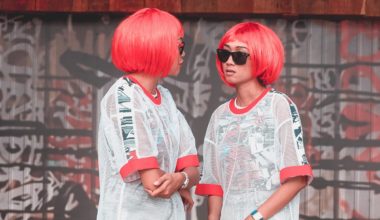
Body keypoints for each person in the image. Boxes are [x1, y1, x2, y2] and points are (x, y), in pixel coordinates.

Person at [195, 22, 313, 220]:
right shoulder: (219, 116)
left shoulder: (279, 105)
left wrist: (254, 217)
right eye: (225, 54)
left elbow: (298, 178)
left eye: (239, 55)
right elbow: (215, 184)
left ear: (261, 57)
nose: (229, 62)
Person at [97, 8, 200, 220]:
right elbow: (154, 184)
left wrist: (179, 180)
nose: (184, 54)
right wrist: (180, 181)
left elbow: (193, 169)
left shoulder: (166, 98)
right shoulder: (124, 96)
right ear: (156, 46)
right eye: (180, 46)